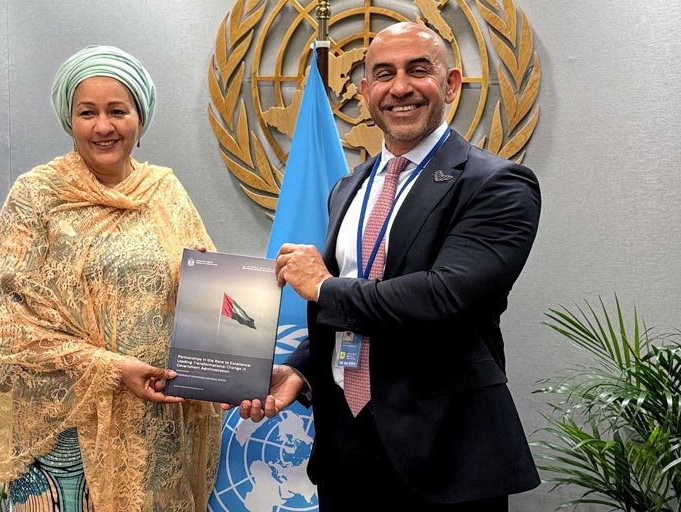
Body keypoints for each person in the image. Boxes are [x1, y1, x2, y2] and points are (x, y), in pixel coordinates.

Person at [231, 22, 542, 511]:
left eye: (418, 70)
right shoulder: (347, 188)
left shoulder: (497, 185)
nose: (399, 88)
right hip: (345, 450)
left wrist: (323, 287)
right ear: (364, 91)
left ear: (450, 84)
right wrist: (301, 370)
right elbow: (353, 311)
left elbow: (443, 297)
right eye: (383, 74)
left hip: (444, 455)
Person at [0, 45, 222, 512]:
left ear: (140, 118)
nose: (103, 126)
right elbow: (0, 324)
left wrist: (199, 286)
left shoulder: (165, 192)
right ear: (70, 121)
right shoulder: (37, 195)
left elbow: (209, 303)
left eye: (117, 111)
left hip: (158, 428)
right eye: (88, 112)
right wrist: (109, 367)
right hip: (67, 440)